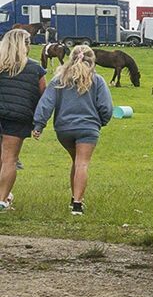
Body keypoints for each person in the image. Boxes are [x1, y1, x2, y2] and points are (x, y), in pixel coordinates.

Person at [32, 43, 114, 216]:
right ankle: (77, 204)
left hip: (64, 129)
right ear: (92, 61)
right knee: (82, 163)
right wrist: (101, 122)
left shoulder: (59, 80)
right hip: (88, 128)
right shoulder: (97, 80)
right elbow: (106, 106)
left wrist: (39, 125)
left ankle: (73, 197)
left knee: (76, 161)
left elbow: (46, 103)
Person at [0, 26, 48, 211]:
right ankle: (2, 200)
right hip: (19, 118)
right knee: (10, 160)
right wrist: (38, 121)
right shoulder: (36, 68)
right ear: (25, 45)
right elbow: (43, 96)